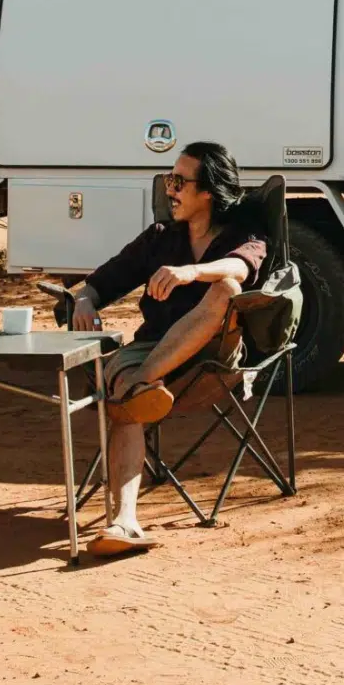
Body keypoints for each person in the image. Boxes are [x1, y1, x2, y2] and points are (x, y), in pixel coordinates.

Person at [72, 140, 268, 558]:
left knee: (225, 289)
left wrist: (191, 272)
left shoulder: (244, 237)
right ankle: (125, 521)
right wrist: (85, 300)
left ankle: (141, 385)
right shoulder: (161, 238)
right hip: (152, 349)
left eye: (179, 181)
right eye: (168, 179)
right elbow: (102, 280)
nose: (169, 188)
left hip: (209, 363)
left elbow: (239, 269)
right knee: (126, 392)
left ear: (208, 193)